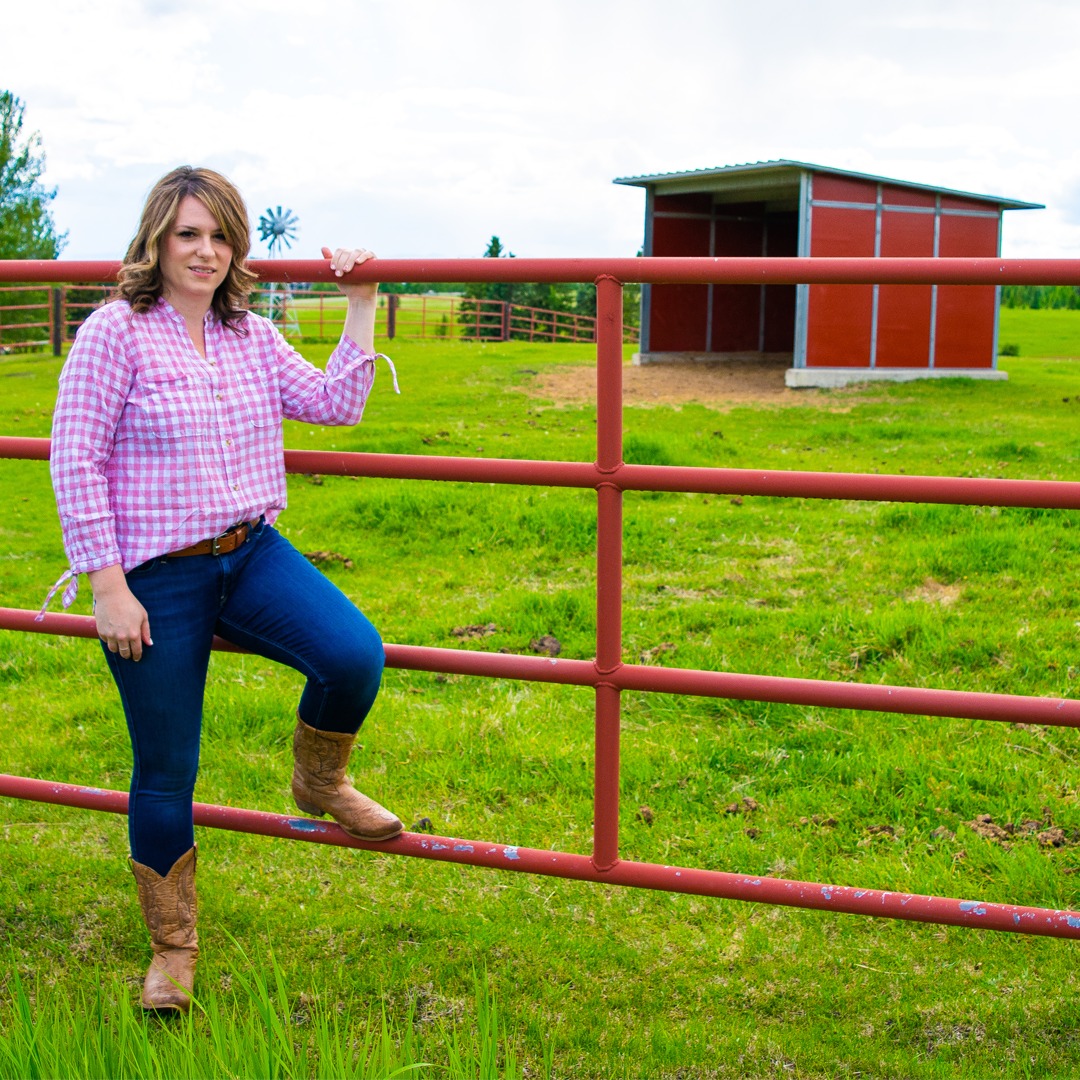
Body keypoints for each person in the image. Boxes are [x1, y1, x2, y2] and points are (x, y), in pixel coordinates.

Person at [44, 165, 402, 1014]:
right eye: (187, 234)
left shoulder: (251, 334)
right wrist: (107, 584)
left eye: (219, 235)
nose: (205, 251)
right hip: (154, 574)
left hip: (250, 551)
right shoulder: (114, 333)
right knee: (166, 769)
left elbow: (333, 406)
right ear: (157, 241)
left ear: (237, 244)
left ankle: (318, 781)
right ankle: (173, 948)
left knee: (353, 655)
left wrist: (363, 299)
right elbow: (75, 458)